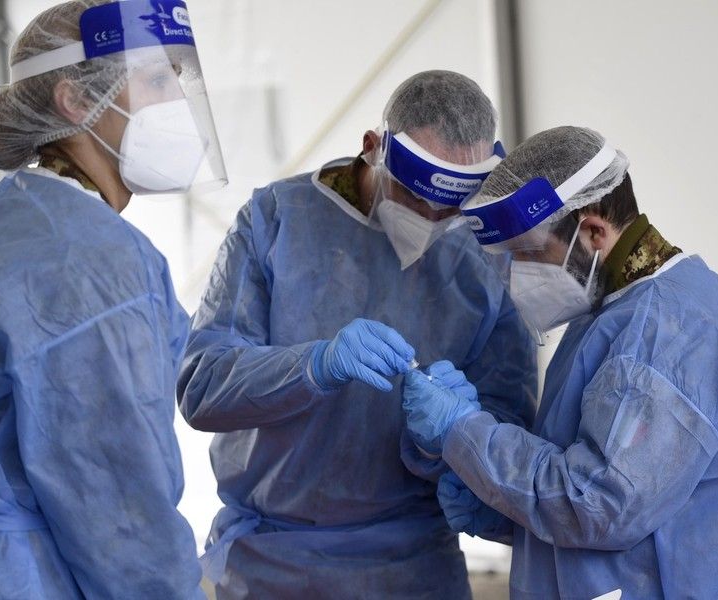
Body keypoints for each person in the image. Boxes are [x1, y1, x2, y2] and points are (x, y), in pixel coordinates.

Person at [177, 70, 537, 599]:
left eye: (451, 205)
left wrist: (446, 438)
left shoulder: (483, 257)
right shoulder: (276, 221)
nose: (432, 217)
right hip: (277, 562)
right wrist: (313, 366)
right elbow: (203, 388)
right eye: (415, 196)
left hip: (416, 567)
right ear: (373, 148)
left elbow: (509, 434)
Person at [401, 125, 718, 599]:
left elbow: (601, 504)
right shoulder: (611, 313)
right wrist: (497, 507)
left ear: (594, 231)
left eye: (529, 252)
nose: (516, 276)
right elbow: (606, 489)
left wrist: (466, 433)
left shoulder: (670, 328)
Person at [0, 1, 227, 598]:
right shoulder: (92, 259)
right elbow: (118, 501)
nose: (177, 101)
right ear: (74, 100)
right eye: (155, 80)